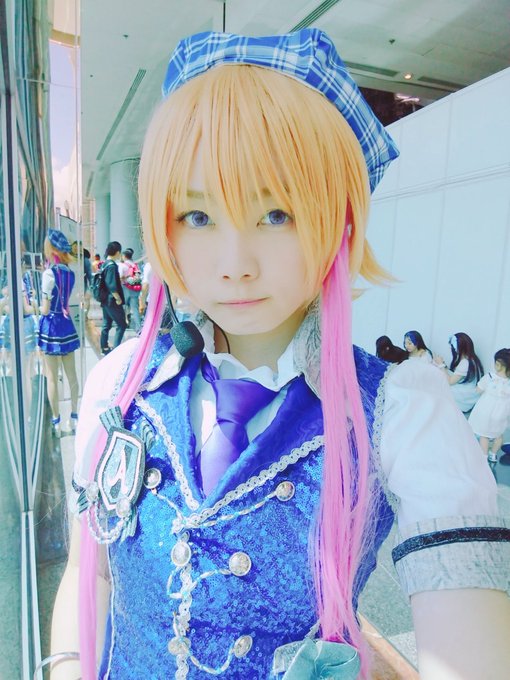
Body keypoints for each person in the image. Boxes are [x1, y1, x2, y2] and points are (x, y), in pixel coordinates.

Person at [51, 30, 510, 680]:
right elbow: (90, 570)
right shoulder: (120, 385)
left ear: (338, 217)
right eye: (198, 216)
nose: (235, 264)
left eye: (276, 214)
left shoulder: (402, 414)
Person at [37, 229, 79, 436]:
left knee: (52, 378)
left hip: (51, 328)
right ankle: (74, 418)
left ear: (51, 249)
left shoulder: (48, 274)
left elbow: (45, 310)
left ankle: (56, 423)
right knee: (72, 377)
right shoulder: (70, 273)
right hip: (66, 325)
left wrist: (35, 306)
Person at [468, 348, 510, 463]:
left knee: (484, 435)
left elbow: (478, 390)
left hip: (486, 411)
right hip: (501, 413)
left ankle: (484, 456)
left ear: (498, 364)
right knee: (499, 435)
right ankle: (493, 455)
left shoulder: (490, 377)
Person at [433, 332, 483, 413]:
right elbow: (456, 376)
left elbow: (450, 381)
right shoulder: (472, 359)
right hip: (468, 392)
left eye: (452, 347)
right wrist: (443, 366)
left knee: (439, 385)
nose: (451, 349)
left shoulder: (465, 362)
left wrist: (441, 364)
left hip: (464, 397)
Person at [99, 241, 126, 355]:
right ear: (118, 252)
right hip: (112, 300)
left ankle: (104, 347)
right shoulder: (111, 266)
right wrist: (118, 298)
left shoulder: (104, 264)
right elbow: (111, 285)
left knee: (106, 324)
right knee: (122, 324)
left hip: (105, 299)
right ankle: (116, 349)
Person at [118, 248, 142, 332]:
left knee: (124, 306)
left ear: (124, 256)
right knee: (135, 308)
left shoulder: (122, 265)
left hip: (125, 288)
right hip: (135, 288)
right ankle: (138, 327)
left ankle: (124, 323)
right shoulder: (135, 265)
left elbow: (120, 277)